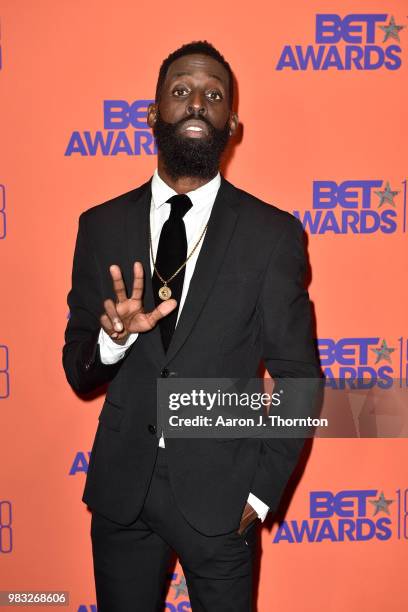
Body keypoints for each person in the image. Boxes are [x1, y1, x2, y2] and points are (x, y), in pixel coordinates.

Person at [63, 40, 320, 612]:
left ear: (234, 123)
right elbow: (77, 370)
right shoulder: (100, 226)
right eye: (180, 91)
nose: (197, 103)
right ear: (153, 115)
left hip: (222, 498)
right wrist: (112, 341)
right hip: (120, 493)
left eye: (213, 95)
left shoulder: (271, 236)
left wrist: (260, 493)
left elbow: (299, 377)